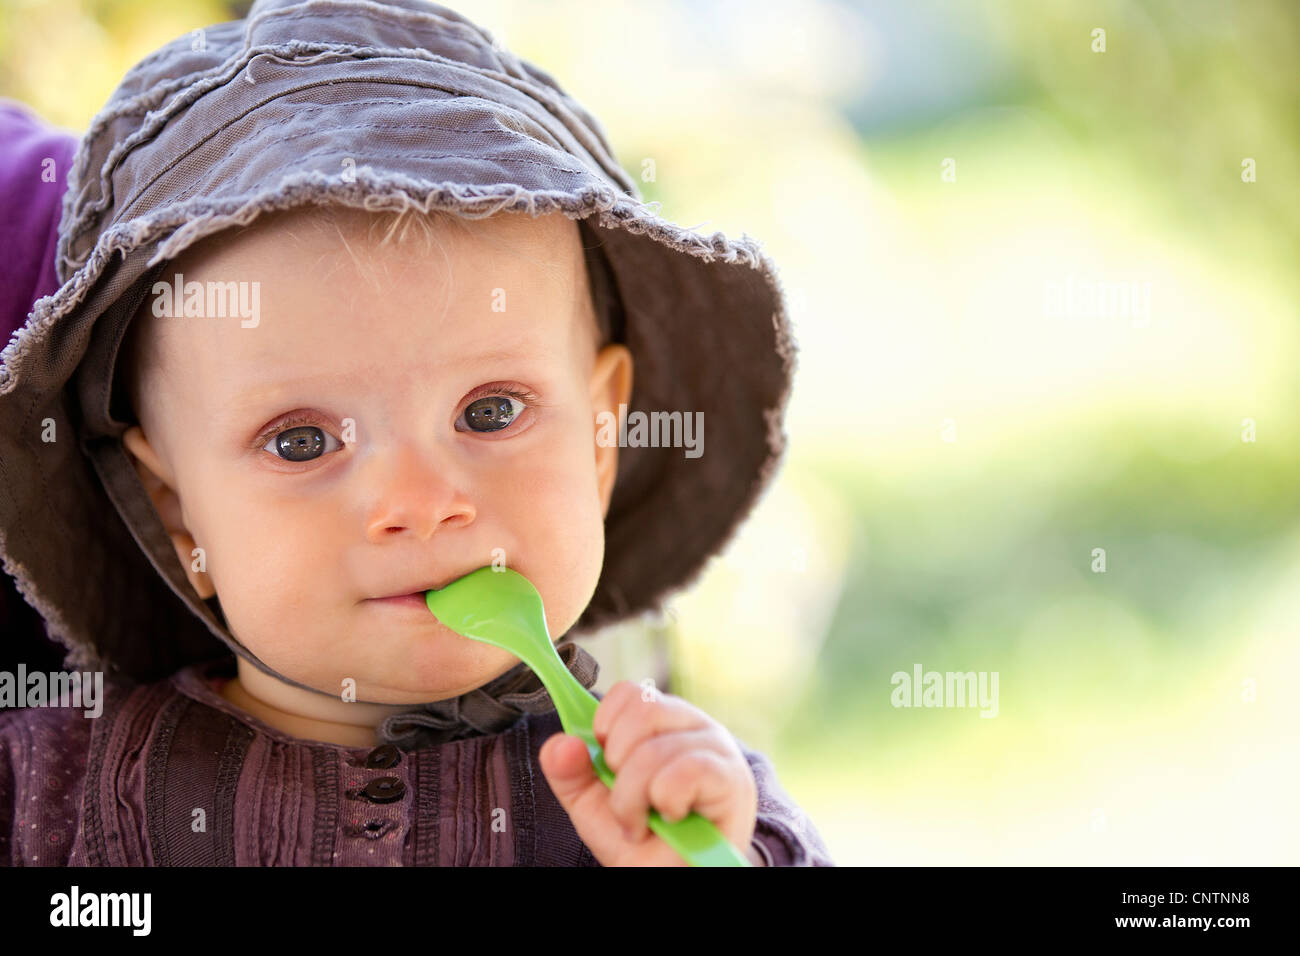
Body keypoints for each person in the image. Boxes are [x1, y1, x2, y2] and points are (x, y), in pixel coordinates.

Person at [0, 0, 832, 866]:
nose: (419, 504)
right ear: (176, 508)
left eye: (491, 412)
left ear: (597, 436)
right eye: (302, 441)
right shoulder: (51, 800)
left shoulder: (670, 797)